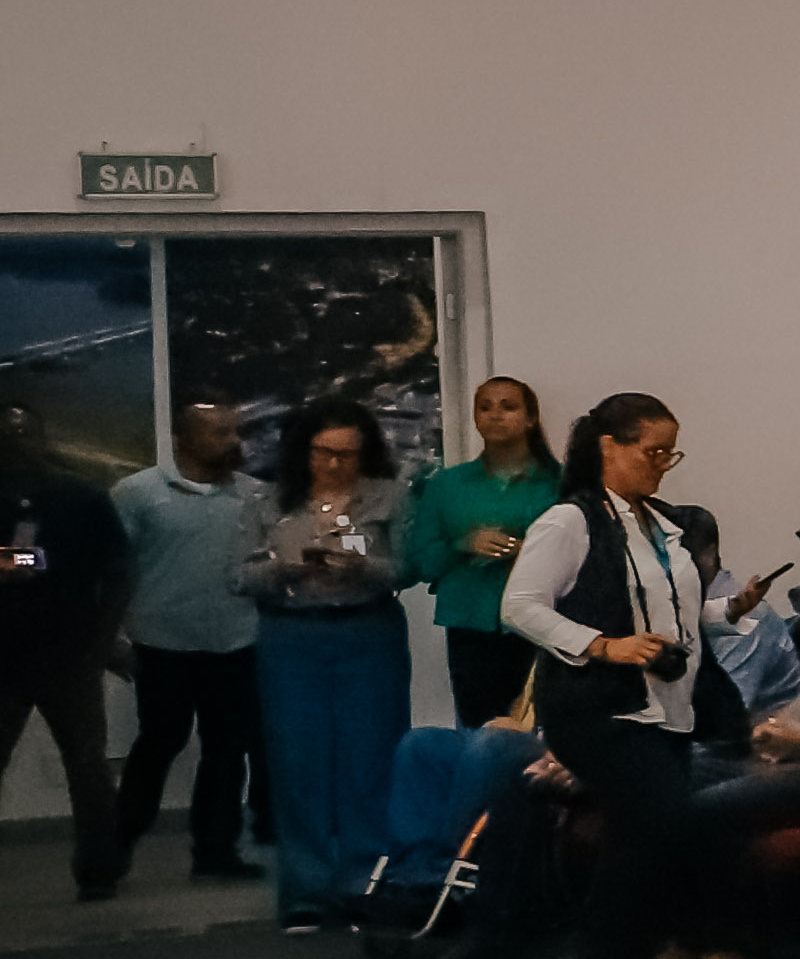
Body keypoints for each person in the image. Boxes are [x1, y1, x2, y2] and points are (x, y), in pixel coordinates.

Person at [501, 393, 717, 959]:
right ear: (608, 447)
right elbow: (520, 606)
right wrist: (602, 646)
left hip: (663, 708)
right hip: (598, 707)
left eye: (669, 452)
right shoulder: (569, 521)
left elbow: (670, 611)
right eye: (651, 451)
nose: (662, 464)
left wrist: (727, 613)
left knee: (653, 831)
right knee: (653, 824)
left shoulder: (657, 523)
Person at [234, 397, 412, 928]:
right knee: (297, 764)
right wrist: (282, 563)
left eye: (348, 455)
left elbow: (405, 568)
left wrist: (361, 562)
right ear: (302, 450)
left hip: (367, 632)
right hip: (292, 636)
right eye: (324, 453)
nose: (335, 465)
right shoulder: (268, 503)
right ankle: (307, 893)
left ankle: (365, 886)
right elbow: (237, 576)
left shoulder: (390, 496)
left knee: (370, 762)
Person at [102, 401, 265, 885]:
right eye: (218, 433)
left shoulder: (254, 496)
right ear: (183, 439)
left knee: (227, 747)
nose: (233, 442)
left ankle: (215, 851)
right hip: (162, 643)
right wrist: (111, 638)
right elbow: (111, 569)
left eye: (234, 431)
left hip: (236, 642)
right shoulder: (137, 494)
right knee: (160, 742)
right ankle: (115, 847)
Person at [0, 396, 133, 899]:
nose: (16, 440)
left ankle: (100, 870)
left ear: (40, 436)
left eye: (22, 431)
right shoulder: (81, 495)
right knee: (88, 767)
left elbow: (119, 571)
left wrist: (102, 642)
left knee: (89, 769)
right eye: (8, 431)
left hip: (71, 653)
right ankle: (101, 870)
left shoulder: (82, 498)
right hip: (11, 656)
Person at [400, 374, 562, 729]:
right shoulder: (447, 485)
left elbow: (585, 558)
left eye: (508, 407)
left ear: (531, 417)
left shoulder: (560, 484)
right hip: (471, 621)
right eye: (485, 407)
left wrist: (530, 553)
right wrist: (463, 544)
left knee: (539, 727)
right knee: (479, 731)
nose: (495, 415)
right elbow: (420, 562)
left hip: (543, 622)